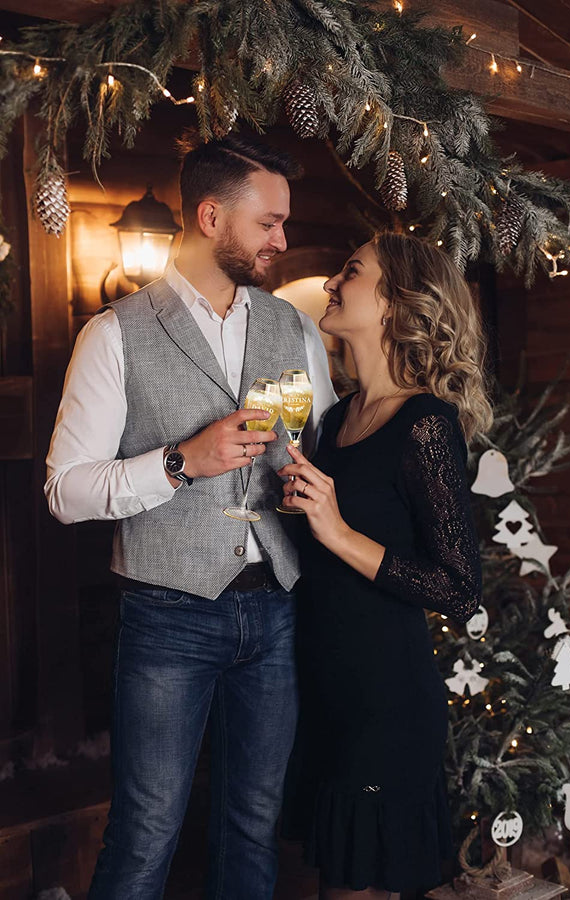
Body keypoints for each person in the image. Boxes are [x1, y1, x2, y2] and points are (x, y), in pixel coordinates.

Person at [45, 134, 336, 900]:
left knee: (253, 824)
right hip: (166, 616)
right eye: (268, 223)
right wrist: (180, 462)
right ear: (211, 216)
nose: (282, 240)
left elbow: (321, 452)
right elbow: (66, 490)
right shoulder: (112, 334)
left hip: (276, 610)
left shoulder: (295, 330)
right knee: (147, 830)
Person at [278, 232, 493, 899]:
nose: (335, 282)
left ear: (398, 301)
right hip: (323, 692)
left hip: (385, 703)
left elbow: (458, 588)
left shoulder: (426, 423)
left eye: (352, 271)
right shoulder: (339, 419)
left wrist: (336, 530)